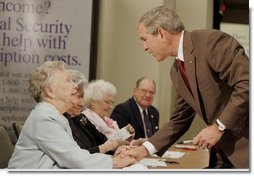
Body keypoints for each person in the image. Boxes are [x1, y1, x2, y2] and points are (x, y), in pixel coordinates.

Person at [122, 6, 249, 169]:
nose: (144, 47)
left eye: (144, 39)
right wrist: (144, 150)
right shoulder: (176, 71)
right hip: (223, 157)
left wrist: (219, 127)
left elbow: (247, 83)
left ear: (161, 34)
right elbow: (179, 121)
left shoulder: (211, 41)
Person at [8, 61, 136, 169]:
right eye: (68, 81)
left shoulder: (56, 115)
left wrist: (112, 158)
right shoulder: (45, 118)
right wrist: (113, 162)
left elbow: (75, 156)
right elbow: (74, 159)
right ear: (49, 91)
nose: (74, 86)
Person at [64, 69, 125, 154]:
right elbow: (75, 156)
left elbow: (102, 140)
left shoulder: (81, 118)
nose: (82, 104)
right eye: (78, 97)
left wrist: (118, 149)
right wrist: (105, 148)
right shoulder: (60, 121)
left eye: (83, 97)